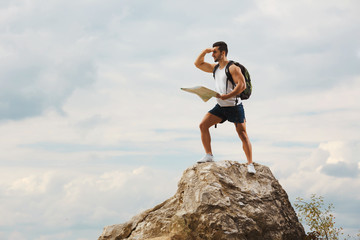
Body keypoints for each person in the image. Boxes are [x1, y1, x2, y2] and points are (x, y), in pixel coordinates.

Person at [194, 41, 256, 174]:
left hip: (234, 106)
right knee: (203, 125)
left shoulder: (233, 68)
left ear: (223, 53)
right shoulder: (215, 68)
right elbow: (198, 64)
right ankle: (209, 155)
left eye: (214, 52)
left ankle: (250, 164)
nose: (212, 55)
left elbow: (242, 85)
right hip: (220, 107)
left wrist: (228, 95)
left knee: (243, 135)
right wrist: (205, 52)